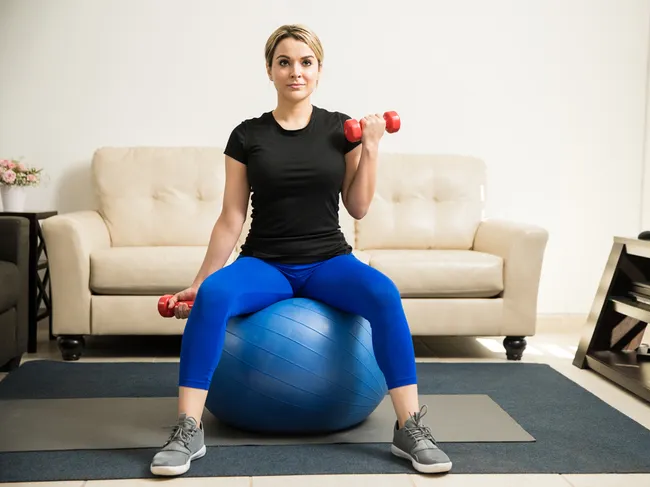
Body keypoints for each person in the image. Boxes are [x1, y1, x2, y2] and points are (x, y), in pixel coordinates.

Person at [149, 23, 453, 477]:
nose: (296, 72)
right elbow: (232, 217)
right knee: (214, 296)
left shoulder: (340, 130)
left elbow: (358, 206)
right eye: (285, 62)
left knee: (385, 294)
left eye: (306, 63)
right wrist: (199, 282)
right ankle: (188, 429)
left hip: (329, 261)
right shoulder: (247, 136)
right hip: (265, 263)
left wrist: (370, 147)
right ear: (270, 71)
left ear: (319, 70)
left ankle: (409, 427)